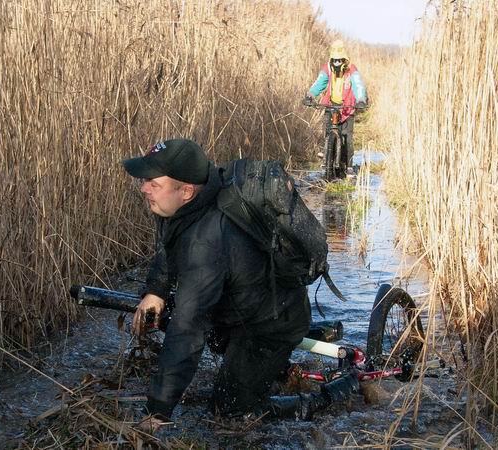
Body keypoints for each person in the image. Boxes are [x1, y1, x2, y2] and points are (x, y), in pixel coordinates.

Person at [122, 138, 358, 432]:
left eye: (154, 184)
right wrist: (156, 290)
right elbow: (172, 247)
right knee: (178, 316)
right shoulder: (195, 202)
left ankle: (329, 396)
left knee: (229, 414)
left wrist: (157, 411)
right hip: (238, 305)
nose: (144, 188)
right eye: (145, 180)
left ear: (185, 191)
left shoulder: (207, 242)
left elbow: (188, 329)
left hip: (269, 325)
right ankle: (270, 368)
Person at [303, 40, 368, 174]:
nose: (337, 63)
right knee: (328, 131)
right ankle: (326, 155)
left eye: (340, 60)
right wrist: (310, 95)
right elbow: (319, 83)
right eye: (335, 60)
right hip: (330, 104)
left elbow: (358, 85)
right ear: (331, 59)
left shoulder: (352, 69)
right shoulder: (327, 68)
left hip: (347, 107)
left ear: (344, 59)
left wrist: (361, 99)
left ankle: (349, 167)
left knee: (348, 137)